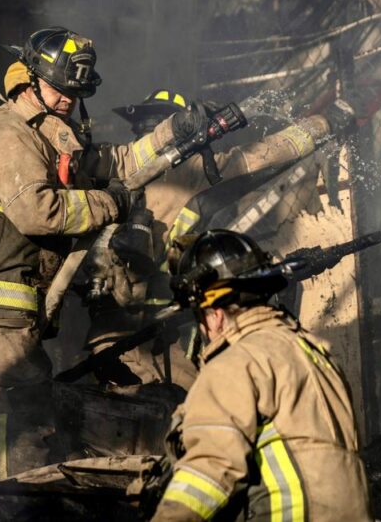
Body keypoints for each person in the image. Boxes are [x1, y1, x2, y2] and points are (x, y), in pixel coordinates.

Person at [0, 27, 206, 480]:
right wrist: (111, 203)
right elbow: (36, 212)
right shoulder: (8, 133)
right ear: (30, 79)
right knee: (21, 421)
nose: (68, 99)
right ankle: (4, 505)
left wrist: (171, 132)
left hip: (13, 305)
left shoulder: (46, 132)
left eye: (75, 92)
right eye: (61, 89)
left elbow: (118, 162)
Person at [86, 89, 357, 389]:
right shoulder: (188, 171)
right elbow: (264, 155)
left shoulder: (114, 172)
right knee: (194, 412)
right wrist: (327, 123)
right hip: (140, 341)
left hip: (112, 334)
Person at [149, 228, 371, 521]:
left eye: (197, 317)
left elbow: (209, 470)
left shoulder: (236, 363)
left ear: (213, 313)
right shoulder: (313, 353)